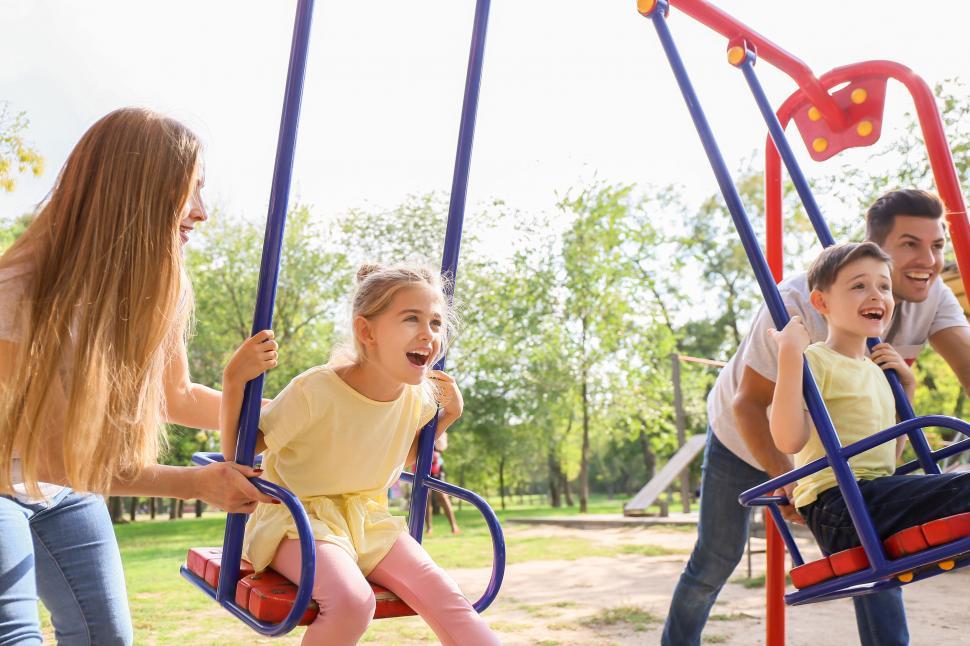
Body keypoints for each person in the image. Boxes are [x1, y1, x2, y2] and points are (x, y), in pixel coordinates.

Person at [0, 107, 277, 646]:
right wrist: (193, 483)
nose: (201, 212)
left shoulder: (152, 291)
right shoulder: (16, 292)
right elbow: (50, 454)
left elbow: (177, 397)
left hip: (65, 491)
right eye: (189, 190)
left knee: (106, 639)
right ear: (136, 191)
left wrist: (291, 415)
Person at [662, 189, 970, 646]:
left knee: (878, 561)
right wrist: (788, 481)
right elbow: (750, 405)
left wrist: (904, 386)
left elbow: (890, 442)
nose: (927, 259)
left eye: (938, 245)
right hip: (751, 437)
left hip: (853, 469)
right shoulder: (795, 311)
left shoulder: (929, 298)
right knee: (717, 556)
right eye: (910, 244)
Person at [221, 263, 499, 646]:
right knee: (352, 601)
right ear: (366, 331)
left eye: (436, 323)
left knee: (448, 597)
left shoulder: (419, 398)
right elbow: (238, 452)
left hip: (366, 519)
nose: (428, 334)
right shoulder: (316, 390)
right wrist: (234, 380)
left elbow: (394, 461)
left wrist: (447, 416)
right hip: (296, 519)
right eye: (411, 319)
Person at [769, 242, 970, 558]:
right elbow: (788, 439)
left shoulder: (877, 370)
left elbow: (890, 454)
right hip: (839, 507)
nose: (876, 295)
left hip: (872, 498)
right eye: (859, 286)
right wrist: (789, 354)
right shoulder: (815, 359)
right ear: (821, 302)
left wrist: (907, 388)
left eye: (884, 286)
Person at [426, 433, 460, 535]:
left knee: (443, 497)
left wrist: (436, 436)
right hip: (422, 465)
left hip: (436, 467)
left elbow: (443, 446)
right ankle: (429, 528)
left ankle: (454, 526)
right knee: (426, 498)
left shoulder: (440, 426)